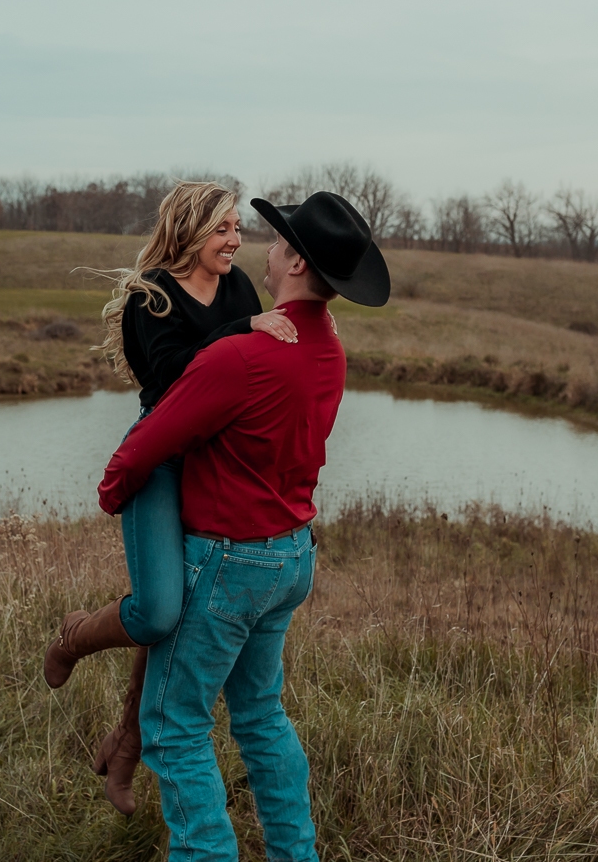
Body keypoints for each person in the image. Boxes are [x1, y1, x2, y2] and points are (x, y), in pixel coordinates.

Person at [98, 191, 390, 861]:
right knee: (259, 715)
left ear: (291, 260)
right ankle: (296, 853)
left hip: (230, 564)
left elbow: (146, 446)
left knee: (173, 727)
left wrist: (113, 492)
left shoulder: (242, 357)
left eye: (276, 239)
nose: (261, 244)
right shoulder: (328, 350)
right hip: (291, 558)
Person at [42, 180, 299, 815]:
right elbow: (174, 379)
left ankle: (124, 749)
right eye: (223, 229)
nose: (236, 241)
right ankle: (74, 637)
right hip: (161, 456)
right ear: (190, 227)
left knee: (181, 617)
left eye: (238, 229)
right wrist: (247, 328)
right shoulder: (150, 297)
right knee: (158, 612)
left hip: (214, 459)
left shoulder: (236, 283)